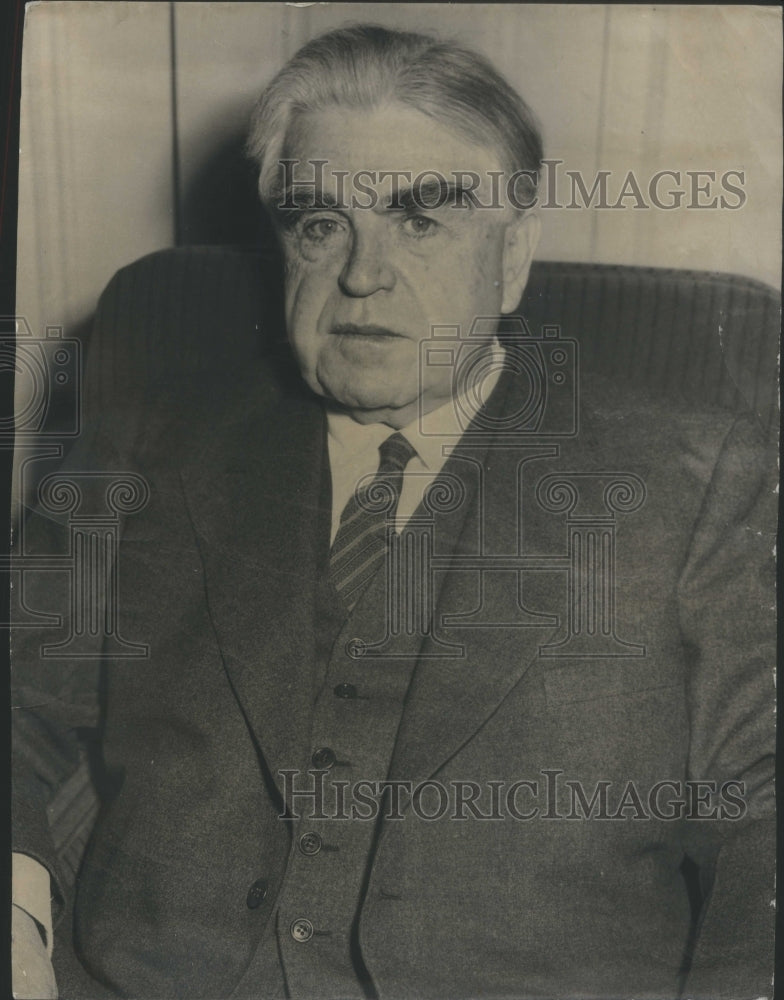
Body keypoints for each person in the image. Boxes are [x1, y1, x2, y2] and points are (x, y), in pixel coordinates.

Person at [12, 24, 775, 1000]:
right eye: (320, 223)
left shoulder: (693, 478)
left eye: (420, 219)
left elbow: (764, 807)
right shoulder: (154, 436)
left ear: (511, 255)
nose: (362, 273)